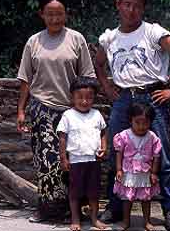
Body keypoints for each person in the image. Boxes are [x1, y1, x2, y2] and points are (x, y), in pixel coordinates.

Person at [95, 0, 170, 231]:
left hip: (151, 99)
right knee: (116, 153)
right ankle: (115, 206)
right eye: (127, 4)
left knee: (160, 154)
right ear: (118, 5)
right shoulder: (109, 38)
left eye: (137, 6)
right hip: (123, 101)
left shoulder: (152, 32)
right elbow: (98, 64)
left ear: (143, 8)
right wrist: (106, 87)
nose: (131, 10)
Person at [16, 0, 96, 222]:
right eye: (50, 14)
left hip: (73, 111)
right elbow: (25, 79)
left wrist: (84, 107)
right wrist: (21, 111)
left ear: (66, 14)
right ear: (42, 15)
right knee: (46, 161)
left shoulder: (76, 39)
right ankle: (46, 210)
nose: (54, 19)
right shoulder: (34, 42)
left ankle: (74, 212)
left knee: (75, 161)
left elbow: (87, 76)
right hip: (42, 109)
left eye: (59, 14)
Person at [56, 76, 107, 231]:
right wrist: (63, 159)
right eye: (80, 97)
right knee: (75, 193)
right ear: (73, 97)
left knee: (93, 193)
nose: (84, 101)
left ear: (94, 98)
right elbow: (62, 138)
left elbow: (104, 132)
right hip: (76, 161)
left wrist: (104, 147)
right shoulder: (68, 115)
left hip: (94, 160)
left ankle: (94, 219)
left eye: (89, 98)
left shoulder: (97, 114)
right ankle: (75, 219)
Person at [113, 102, 162, 231]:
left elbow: (156, 156)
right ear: (131, 120)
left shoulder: (152, 137)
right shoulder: (124, 136)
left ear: (150, 122)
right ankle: (126, 221)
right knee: (127, 199)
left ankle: (147, 221)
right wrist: (118, 169)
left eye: (145, 123)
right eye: (137, 122)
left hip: (145, 173)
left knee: (146, 198)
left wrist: (154, 173)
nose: (141, 126)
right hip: (128, 172)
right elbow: (119, 153)